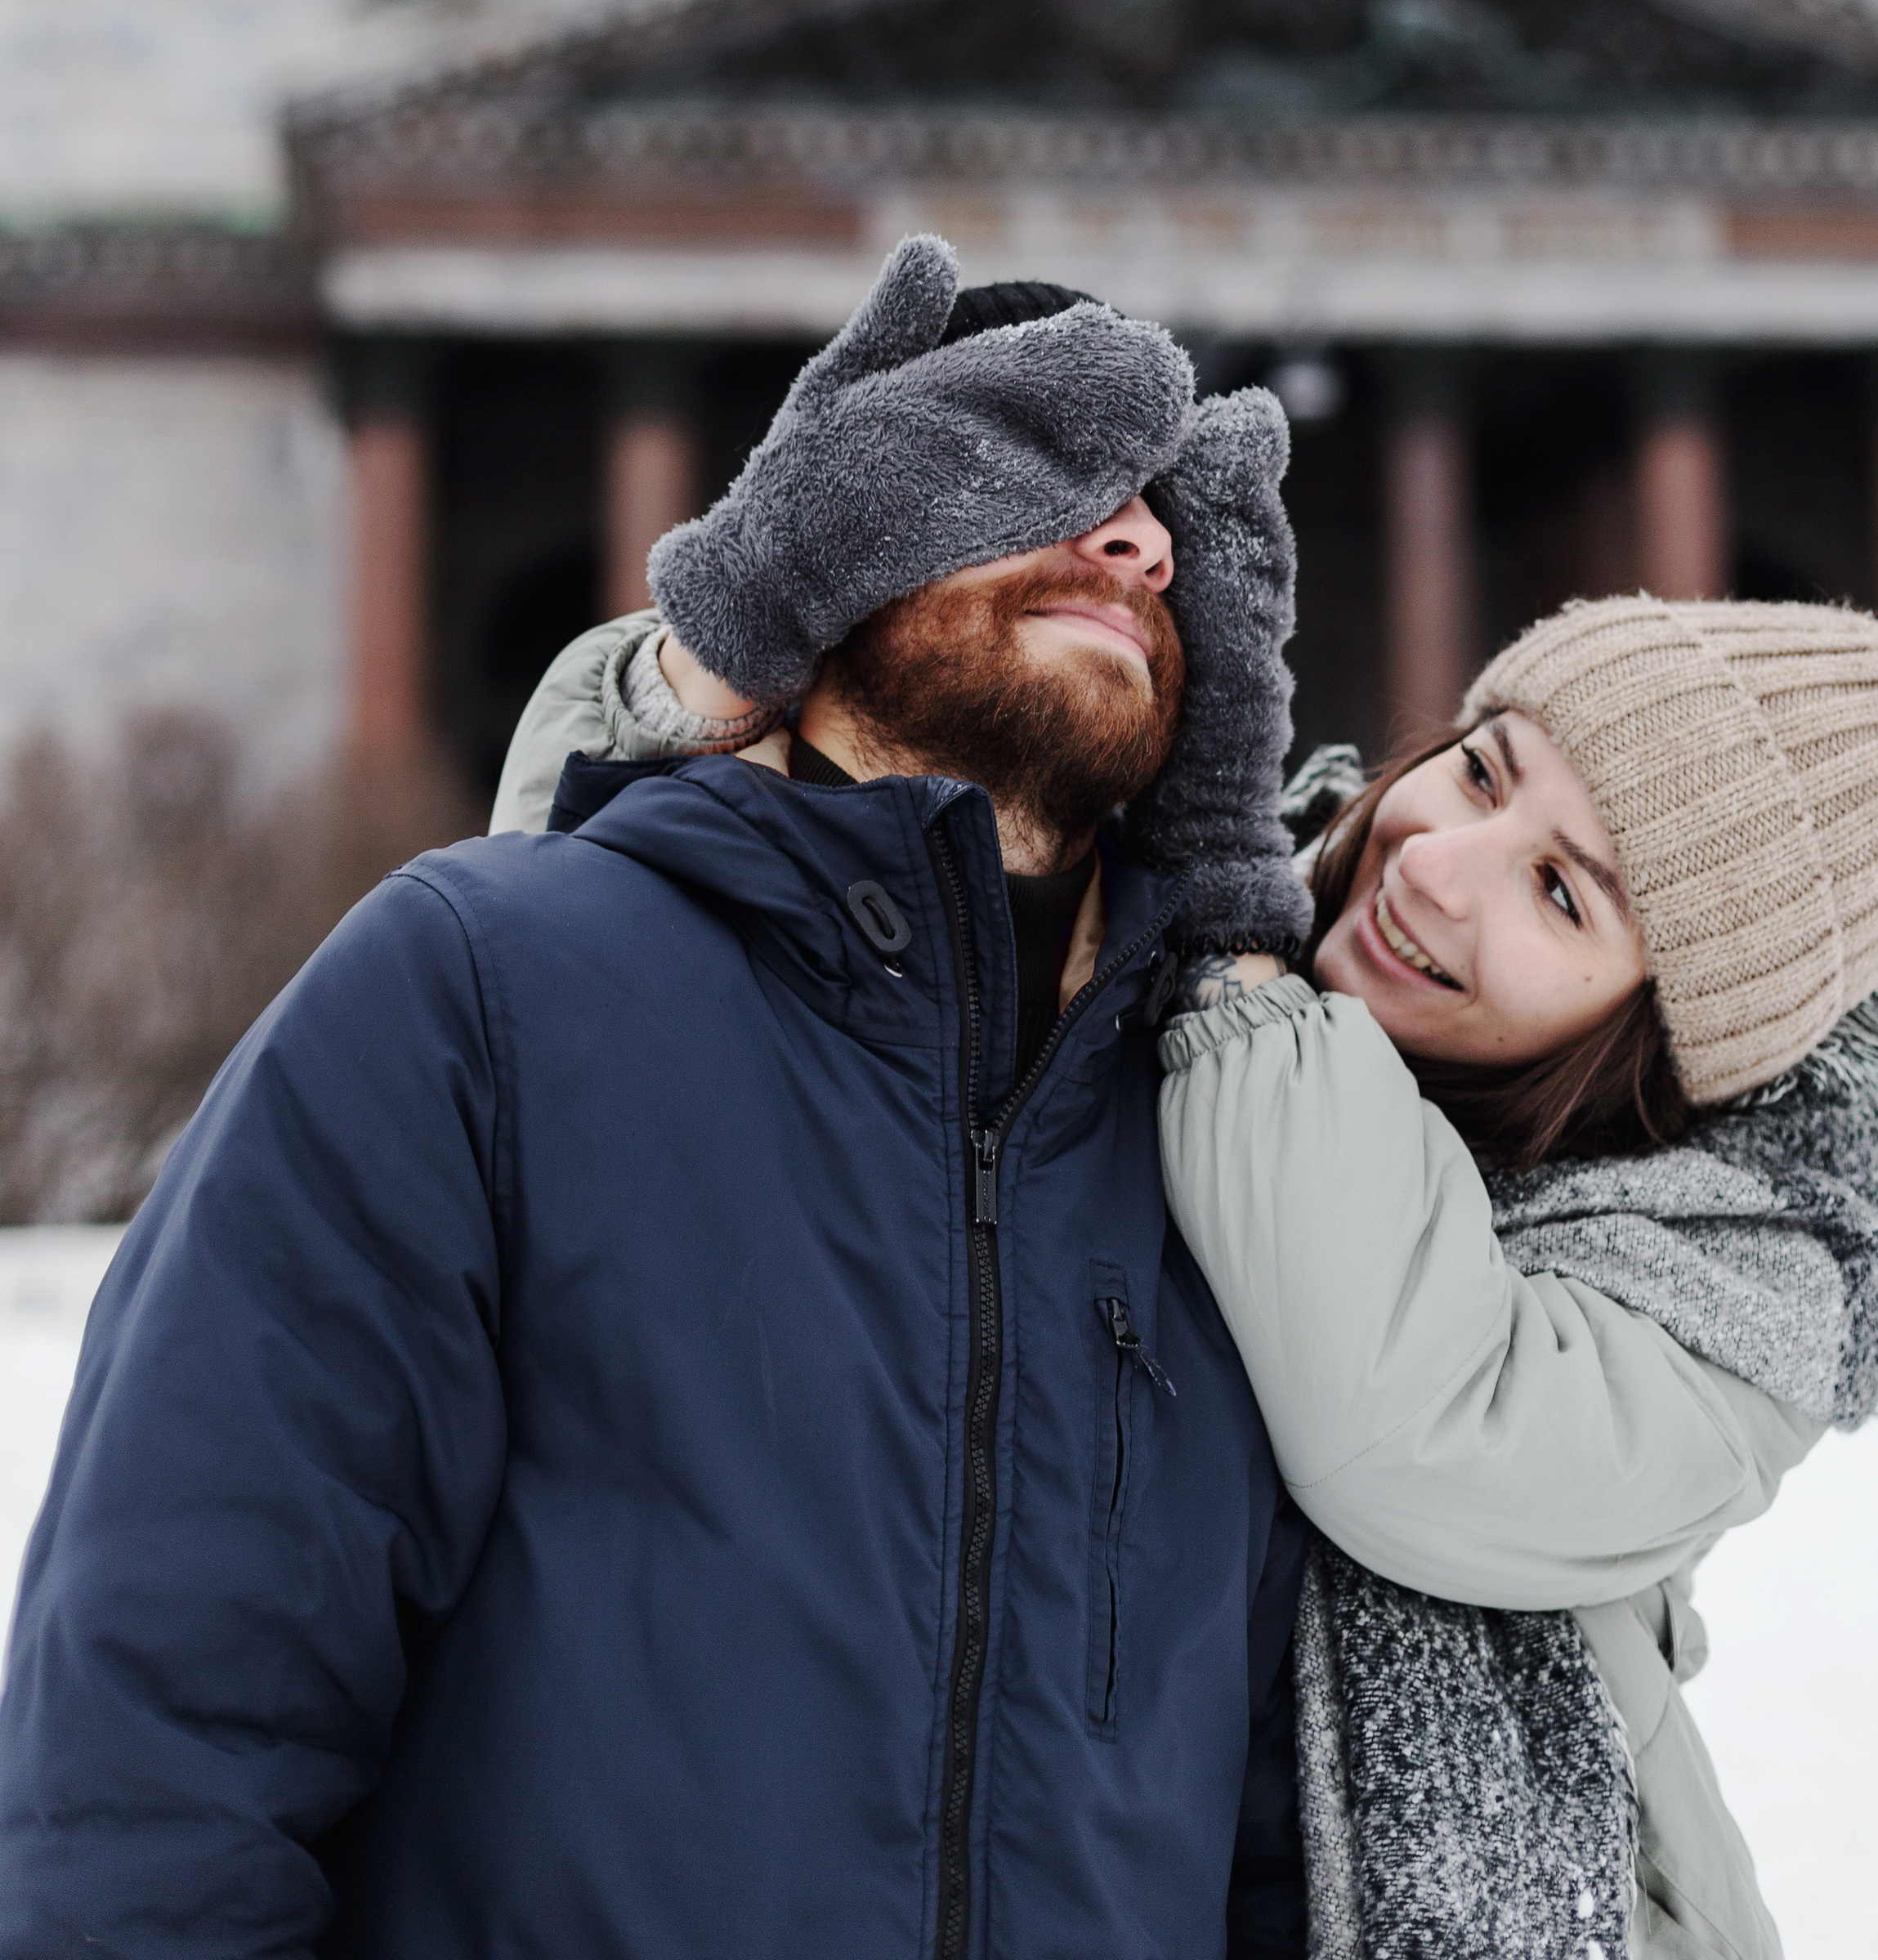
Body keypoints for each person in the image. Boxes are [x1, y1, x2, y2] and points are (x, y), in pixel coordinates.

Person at [0, 238, 1317, 1960]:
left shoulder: (1231, 1131)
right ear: (832, 546)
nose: (1140, 539)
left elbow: (1279, 1845)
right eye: (1041, 467)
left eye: (1158, 523)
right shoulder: (477, 993)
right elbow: (166, 1733)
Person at [1158, 591, 1878, 1960]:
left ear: (1660, 1040)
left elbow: (1410, 1425)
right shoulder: (1180, 909)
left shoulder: (1739, 1285)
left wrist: (1233, 979)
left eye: (1561, 893)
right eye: (1484, 768)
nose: (1439, 866)